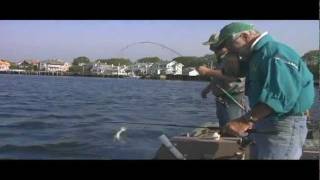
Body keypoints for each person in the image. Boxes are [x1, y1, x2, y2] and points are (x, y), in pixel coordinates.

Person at [203, 22, 315, 159]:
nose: (228, 49)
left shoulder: (274, 52)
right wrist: (232, 58)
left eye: (229, 45)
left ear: (244, 36)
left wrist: (244, 121)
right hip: (265, 123)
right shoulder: (257, 55)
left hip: (282, 124)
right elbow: (236, 72)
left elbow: (280, 97)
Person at [200, 33, 248, 128]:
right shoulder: (222, 59)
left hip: (233, 100)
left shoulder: (232, 58)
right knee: (225, 127)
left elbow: (234, 78)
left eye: (213, 46)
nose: (211, 49)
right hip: (223, 100)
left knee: (234, 129)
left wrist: (208, 71)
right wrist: (207, 89)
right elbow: (218, 77)